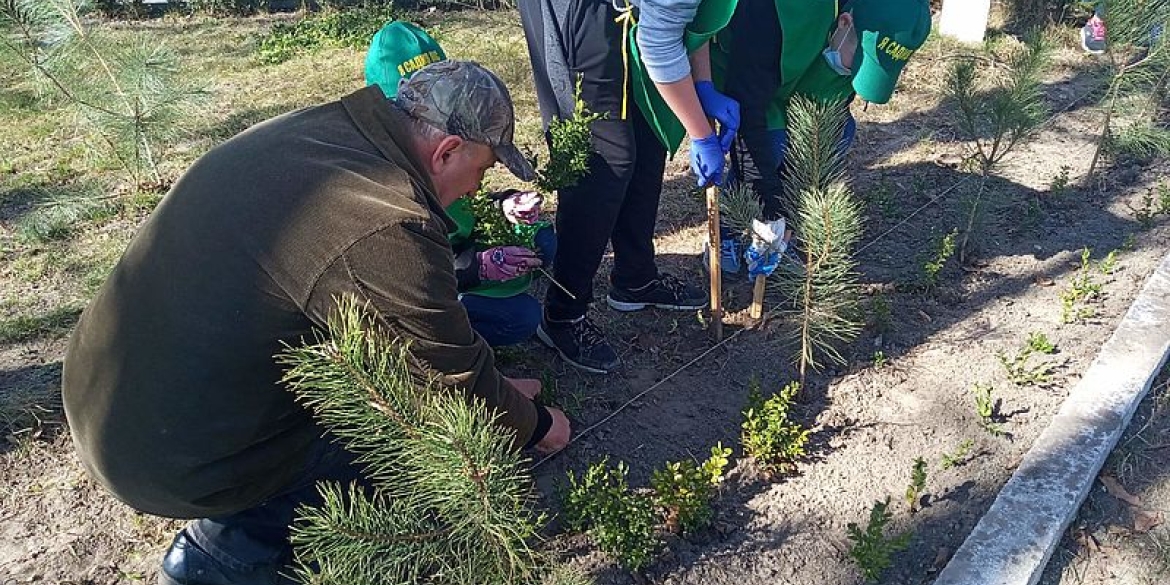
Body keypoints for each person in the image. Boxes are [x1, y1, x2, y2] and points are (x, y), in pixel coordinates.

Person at [61, 60, 571, 585]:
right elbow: (449, 380)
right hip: (166, 453)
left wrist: (498, 385)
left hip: (105, 390)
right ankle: (222, 556)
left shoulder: (324, 131)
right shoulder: (382, 219)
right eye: (483, 171)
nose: (475, 188)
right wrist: (535, 426)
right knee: (393, 424)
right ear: (446, 152)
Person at [519, 0, 741, 374]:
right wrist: (701, 134)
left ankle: (634, 278)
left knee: (646, 131)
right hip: (575, 11)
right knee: (602, 159)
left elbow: (689, 16)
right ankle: (563, 314)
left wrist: (702, 85)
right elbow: (660, 43)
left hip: (631, 11)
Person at [366, 20, 558, 347]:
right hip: (442, 272)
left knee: (546, 241)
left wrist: (504, 204)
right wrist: (477, 268)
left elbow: (467, 207)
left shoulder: (435, 155)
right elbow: (408, 278)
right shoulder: (385, 185)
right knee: (521, 316)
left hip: (459, 250)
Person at [710, 0, 932, 272]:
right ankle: (726, 231)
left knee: (840, 131)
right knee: (771, 146)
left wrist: (787, 212)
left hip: (796, 78)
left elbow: (830, 115)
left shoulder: (861, 27)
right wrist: (769, 205)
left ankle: (782, 230)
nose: (855, 74)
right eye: (860, 62)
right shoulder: (775, 15)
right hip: (747, 76)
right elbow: (748, 120)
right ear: (844, 23)